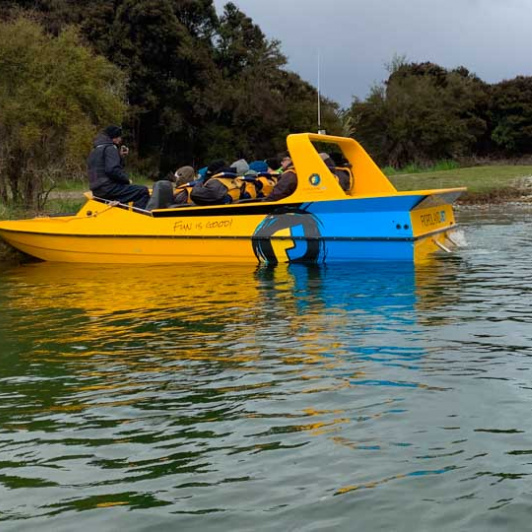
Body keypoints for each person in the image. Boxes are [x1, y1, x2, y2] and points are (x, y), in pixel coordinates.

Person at [87, 125, 149, 209]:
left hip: (97, 191)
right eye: (119, 137)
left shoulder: (95, 150)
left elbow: (102, 168)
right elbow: (112, 170)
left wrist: (120, 156)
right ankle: (140, 217)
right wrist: (126, 180)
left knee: (124, 194)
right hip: (108, 189)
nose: (120, 140)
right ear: (114, 137)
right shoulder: (111, 148)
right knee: (142, 191)